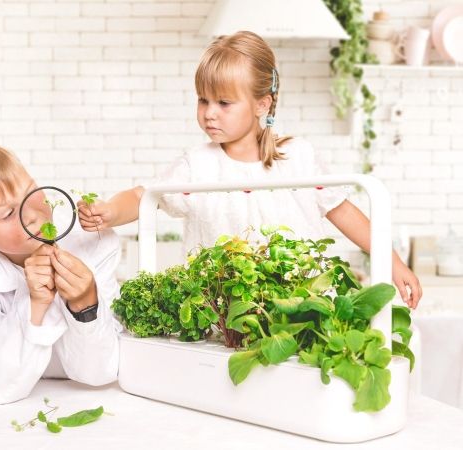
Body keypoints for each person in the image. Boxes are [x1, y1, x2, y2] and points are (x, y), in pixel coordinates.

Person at [77, 31, 422, 309]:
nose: (209, 113)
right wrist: (110, 211)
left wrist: (394, 263)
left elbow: (344, 212)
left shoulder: (298, 158)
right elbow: (144, 197)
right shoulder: (198, 166)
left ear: (262, 104)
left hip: (301, 313)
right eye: (203, 100)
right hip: (222, 322)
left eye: (224, 103)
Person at [0, 140, 121, 404]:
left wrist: (85, 304)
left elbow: (101, 373)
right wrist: (34, 302)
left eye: (31, 190)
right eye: (7, 214)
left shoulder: (92, 241)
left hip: (87, 399)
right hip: (23, 406)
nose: (31, 214)